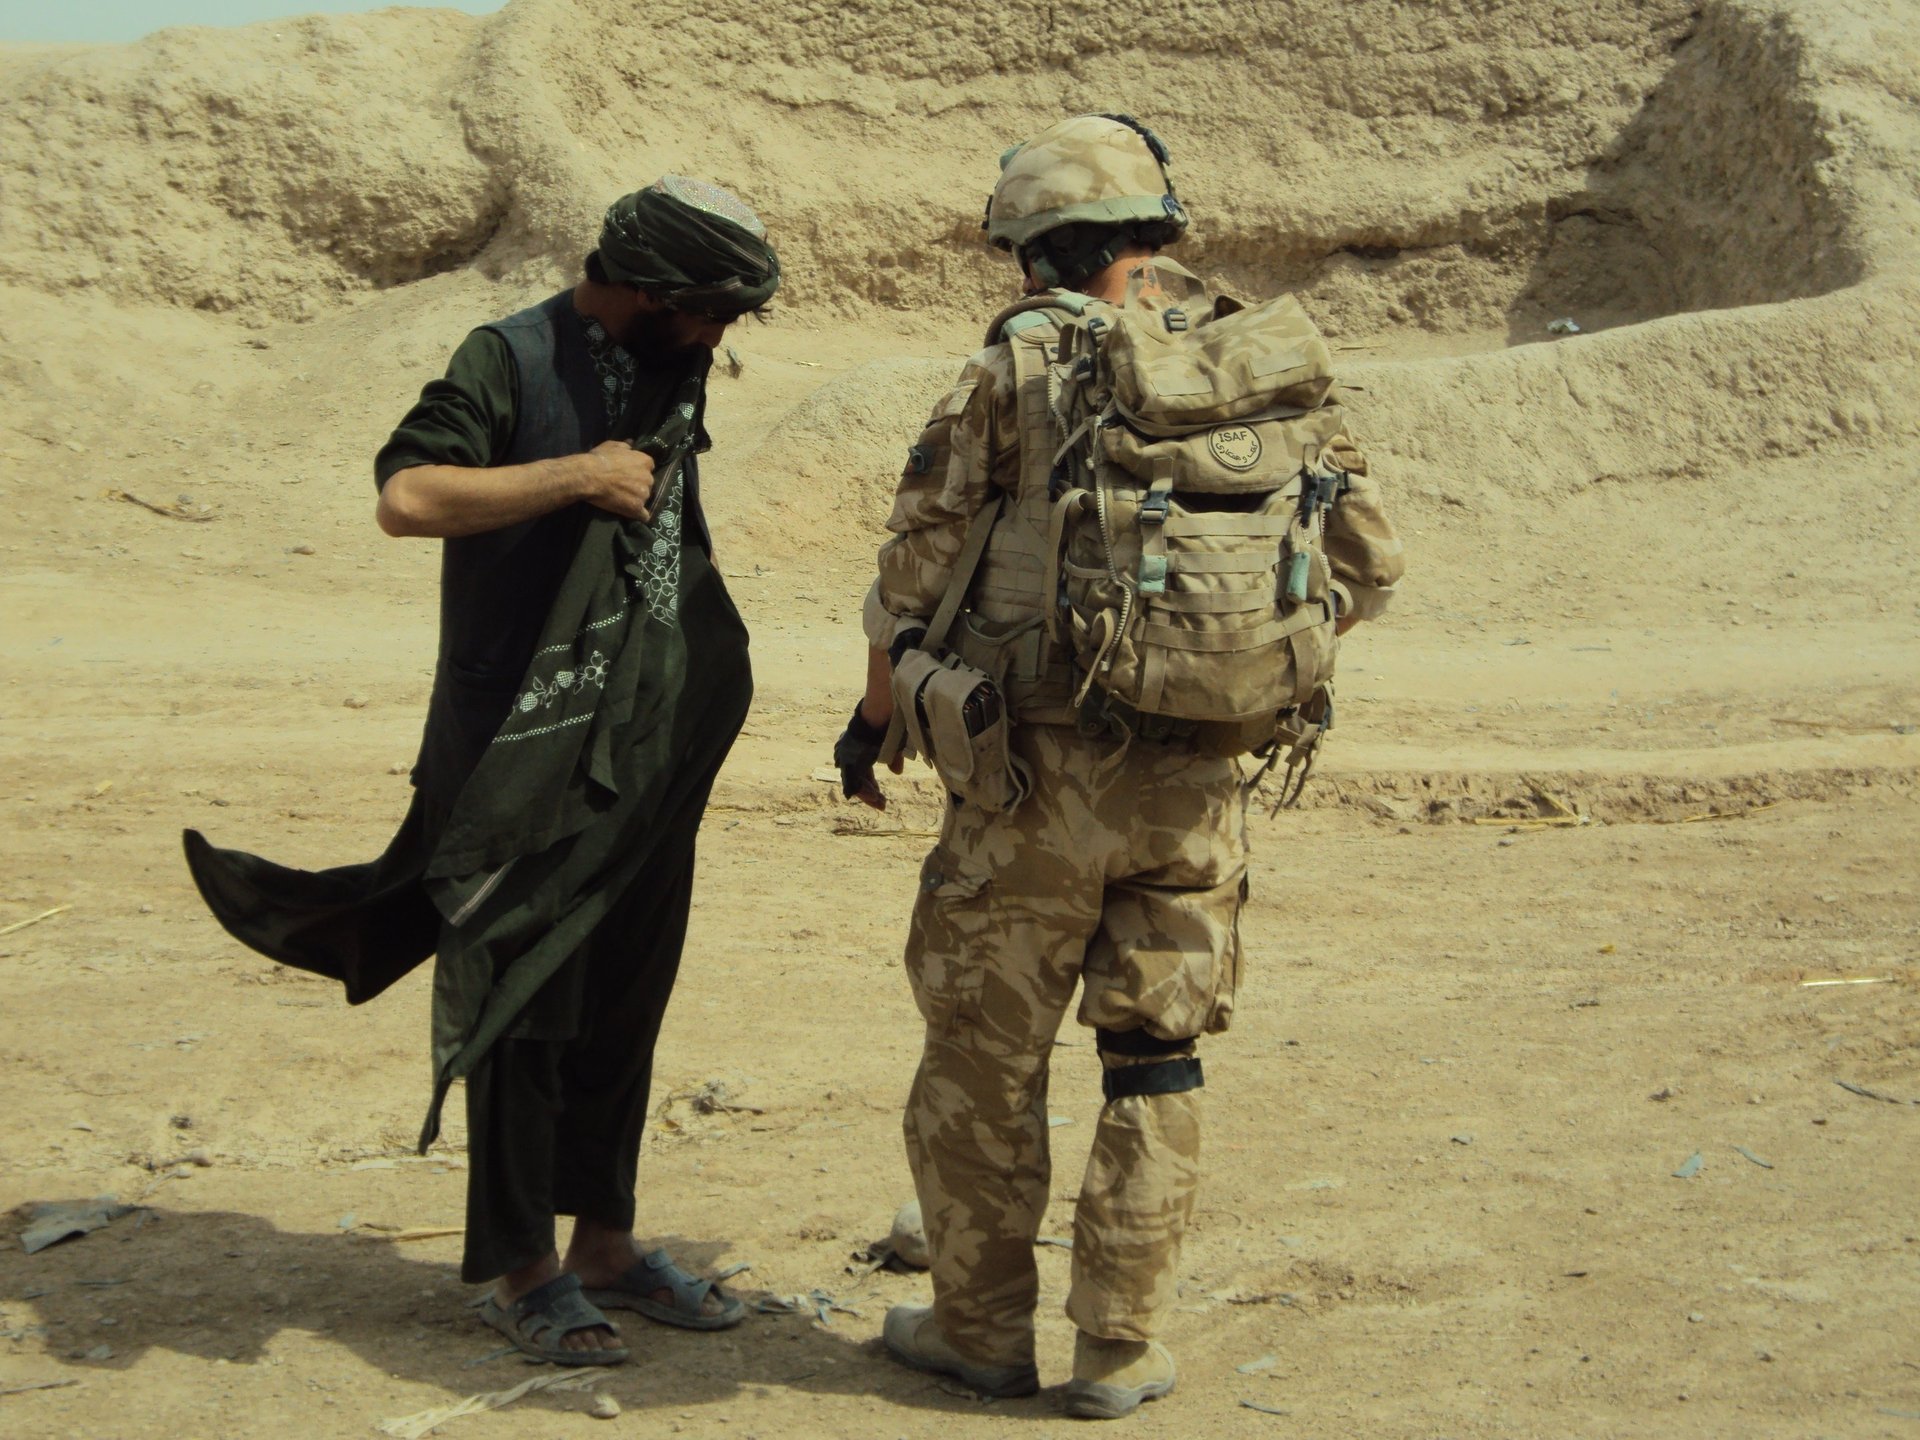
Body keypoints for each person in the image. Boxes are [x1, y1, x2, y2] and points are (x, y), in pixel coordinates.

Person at [834, 115, 1405, 1418]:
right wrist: (1236, 674)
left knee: (988, 1058)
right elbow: (1368, 568)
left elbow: (910, 581)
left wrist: (873, 722)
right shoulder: (1261, 365)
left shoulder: (1015, 370)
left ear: (1033, 255)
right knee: (1158, 1061)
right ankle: (1119, 1349)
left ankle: (979, 1332)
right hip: (1202, 787)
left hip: (1028, 780)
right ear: (1157, 237)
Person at [184, 177, 779, 1365]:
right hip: (509, 743)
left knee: (622, 993)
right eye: (710, 310)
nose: (720, 336)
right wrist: (574, 476)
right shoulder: (505, 356)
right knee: (522, 1003)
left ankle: (607, 1247)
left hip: (637, 745)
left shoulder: (672, 357)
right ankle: (525, 1272)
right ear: (649, 289)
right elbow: (407, 497)